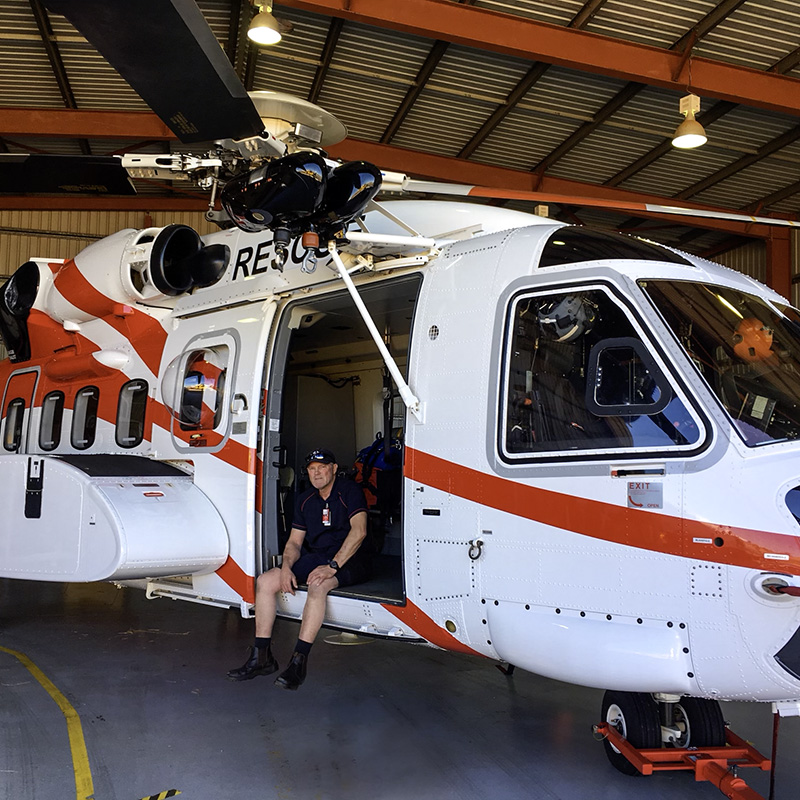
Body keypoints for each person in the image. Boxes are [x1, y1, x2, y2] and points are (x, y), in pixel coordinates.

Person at [227, 448, 371, 690]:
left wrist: (332, 567)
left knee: (318, 585)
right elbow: (294, 542)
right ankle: (262, 657)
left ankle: (298, 662)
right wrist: (286, 568)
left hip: (352, 558)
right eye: (312, 469)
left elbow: (360, 532)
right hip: (318, 557)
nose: (317, 473)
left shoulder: (349, 491)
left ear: (334, 469)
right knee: (265, 581)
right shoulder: (305, 499)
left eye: (322, 467)